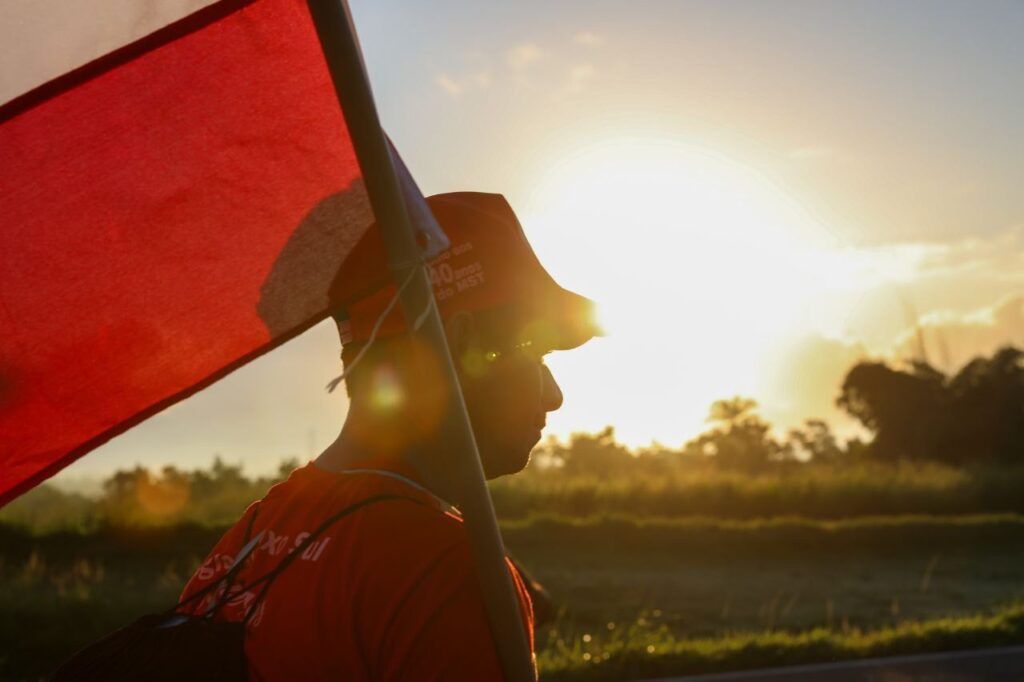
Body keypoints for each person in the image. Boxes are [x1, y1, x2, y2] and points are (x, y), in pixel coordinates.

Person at [178, 192, 599, 680]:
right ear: (461, 344)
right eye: (538, 353)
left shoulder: (247, 541)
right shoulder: (446, 571)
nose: (554, 396)